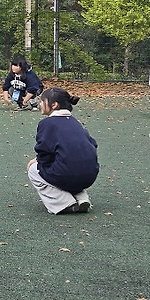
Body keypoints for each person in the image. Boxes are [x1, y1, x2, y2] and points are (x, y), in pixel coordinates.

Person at [26, 87, 99, 215]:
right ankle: (82, 198)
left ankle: (64, 203)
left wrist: (37, 161)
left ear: (54, 105)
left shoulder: (47, 123)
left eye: (42, 101)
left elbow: (44, 152)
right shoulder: (75, 122)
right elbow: (92, 144)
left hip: (66, 174)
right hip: (90, 176)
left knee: (34, 170)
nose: (40, 103)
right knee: (69, 166)